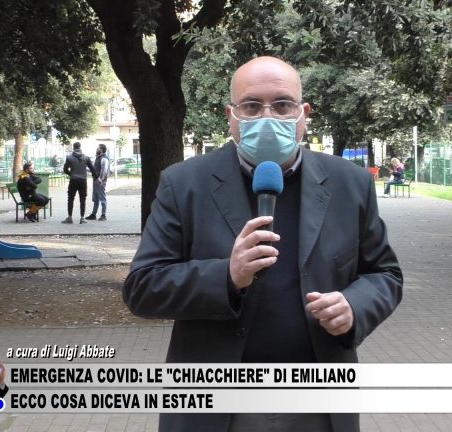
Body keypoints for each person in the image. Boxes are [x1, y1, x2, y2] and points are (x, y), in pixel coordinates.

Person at [123, 56, 403, 432]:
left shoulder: (350, 183)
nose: (267, 117)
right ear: (231, 115)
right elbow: (142, 288)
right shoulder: (184, 183)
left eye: (283, 105)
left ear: (303, 114)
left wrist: (355, 306)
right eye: (252, 106)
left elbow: (385, 274)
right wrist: (227, 276)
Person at [62, 141, 96, 224]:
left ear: (73, 147)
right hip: (83, 180)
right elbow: (92, 169)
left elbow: (65, 169)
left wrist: (71, 174)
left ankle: (70, 217)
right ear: (80, 147)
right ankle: (82, 218)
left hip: (73, 180)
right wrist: (96, 177)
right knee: (83, 199)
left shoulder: (69, 157)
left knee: (70, 198)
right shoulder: (86, 158)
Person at [86, 143, 110, 221]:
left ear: (101, 149)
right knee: (95, 198)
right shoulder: (98, 158)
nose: (96, 149)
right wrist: (85, 168)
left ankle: (103, 215)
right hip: (95, 181)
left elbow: (104, 171)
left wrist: (100, 180)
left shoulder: (104, 159)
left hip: (100, 182)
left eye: (98, 148)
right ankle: (93, 214)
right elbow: (94, 169)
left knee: (102, 198)